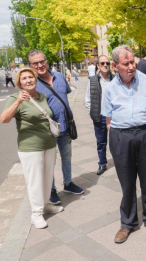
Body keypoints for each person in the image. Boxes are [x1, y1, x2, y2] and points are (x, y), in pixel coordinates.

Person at [101, 45, 146, 243]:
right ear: (114, 65)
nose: (130, 67)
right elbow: (108, 120)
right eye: (125, 63)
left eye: (132, 62)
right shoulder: (110, 88)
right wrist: (122, 136)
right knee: (126, 183)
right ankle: (127, 223)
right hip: (121, 136)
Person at [0, 68, 64, 229]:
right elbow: (4, 119)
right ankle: (36, 214)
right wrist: (18, 102)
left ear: (35, 79)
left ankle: (45, 204)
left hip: (48, 144)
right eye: (24, 78)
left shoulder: (41, 96)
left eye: (31, 77)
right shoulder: (16, 97)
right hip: (30, 147)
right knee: (35, 180)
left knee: (47, 177)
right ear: (19, 82)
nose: (28, 80)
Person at [27, 49, 84, 206]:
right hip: (46, 129)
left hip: (64, 124)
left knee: (67, 156)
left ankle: (68, 183)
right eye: (35, 63)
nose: (40, 65)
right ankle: (51, 190)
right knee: (49, 161)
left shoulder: (59, 76)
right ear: (31, 65)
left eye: (42, 61)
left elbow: (64, 95)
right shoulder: (32, 83)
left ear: (46, 61)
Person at [85, 55, 114, 175]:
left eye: (107, 63)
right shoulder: (92, 80)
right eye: (102, 63)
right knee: (101, 142)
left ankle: (120, 162)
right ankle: (102, 164)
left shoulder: (115, 79)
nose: (105, 65)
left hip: (114, 117)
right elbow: (88, 99)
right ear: (98, 65)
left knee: (116, 141)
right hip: (99, 116)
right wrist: (92, 112)